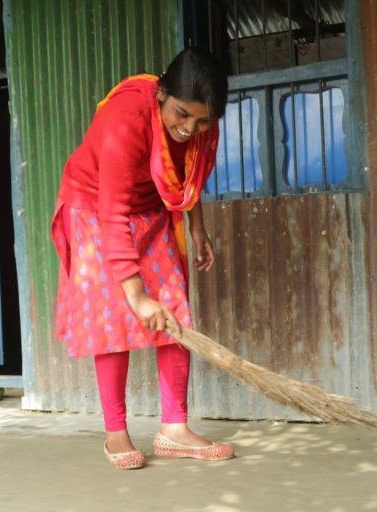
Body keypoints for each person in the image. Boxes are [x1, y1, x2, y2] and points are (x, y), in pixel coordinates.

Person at [50, 47, 233, 470]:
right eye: (181, 115)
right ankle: (116, 434)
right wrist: (134, 294)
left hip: (152, 207)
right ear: (161, 95)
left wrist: (197, 226)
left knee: (174, 315)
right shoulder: (126, 117)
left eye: (202, 119)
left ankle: (174, 430)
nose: (190, 128)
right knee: (113, 318)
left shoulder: (205, 126)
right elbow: (112, 212)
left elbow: (189, 175)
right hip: (95, 205)